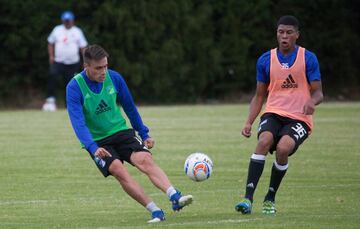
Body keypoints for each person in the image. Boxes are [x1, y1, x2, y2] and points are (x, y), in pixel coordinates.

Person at [66, 44, 193, 223]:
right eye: (98, 68)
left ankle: (174, 196)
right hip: (98, 141)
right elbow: (78, 123)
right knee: (119, 170)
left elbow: (130, 108)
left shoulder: (115, 78)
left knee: (145, 160)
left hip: (121, 131)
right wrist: (93, 147)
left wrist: (144, 133)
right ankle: (155, 210)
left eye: (105, 66)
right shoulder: (74, 87)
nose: (103, 71)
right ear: (86, 67)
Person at [235, 15, 323, 215]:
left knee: (283, 148)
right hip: (273, 112)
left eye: (289, 32)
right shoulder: (266, 60)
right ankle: (247, 199)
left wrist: (312, 101)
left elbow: (318, 92)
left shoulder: (308, 58)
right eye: (280, 32)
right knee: (264, 140)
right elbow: (259, 96)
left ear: (297, 35)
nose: (284, 36)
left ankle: (270, 198)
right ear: (277, 34)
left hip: (299, 117)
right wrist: (249, 121)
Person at [43, 10, 88, 111]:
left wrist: (85, 61)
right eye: (65, 20)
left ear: (72, 21)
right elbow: (50, 42)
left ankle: (68, 104)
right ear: (63, 21)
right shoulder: (57, 30)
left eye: (69, 20)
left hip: (73, 63)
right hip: (58, 61)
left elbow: (83, 47)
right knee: (52, 75)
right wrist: (51, 56)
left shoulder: (77, 31)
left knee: (70, 83)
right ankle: (50, 100)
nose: (67, 22)